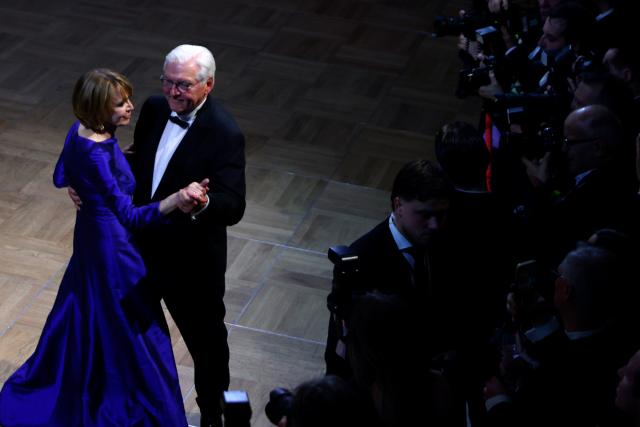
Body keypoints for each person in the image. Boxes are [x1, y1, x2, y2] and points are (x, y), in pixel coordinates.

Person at [0, 68, 207, 426]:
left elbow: (61, 174)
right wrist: (176, 198)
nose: (130, 107)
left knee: (92, 318)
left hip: (90, 240)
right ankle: (140, 405)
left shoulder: (79, 132)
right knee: (138, 330)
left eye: (128, 99)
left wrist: (90, 180)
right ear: (98, 108)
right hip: (115, 248)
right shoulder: (98, 154)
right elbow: (132, 217)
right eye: (120, 103)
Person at [126, 44, 246, 427]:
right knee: (127, 332)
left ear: (208, 85)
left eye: (183, 85)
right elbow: (140, 164)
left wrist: (202, 205)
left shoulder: (225, 132)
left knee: (208, 346)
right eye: (167, 82)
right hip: (140, 248)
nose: (173, 92)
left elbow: (234, 204)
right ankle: (134, 406)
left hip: (190, 261)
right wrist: (92, 180)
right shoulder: (153, 107)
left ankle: (212, 414)